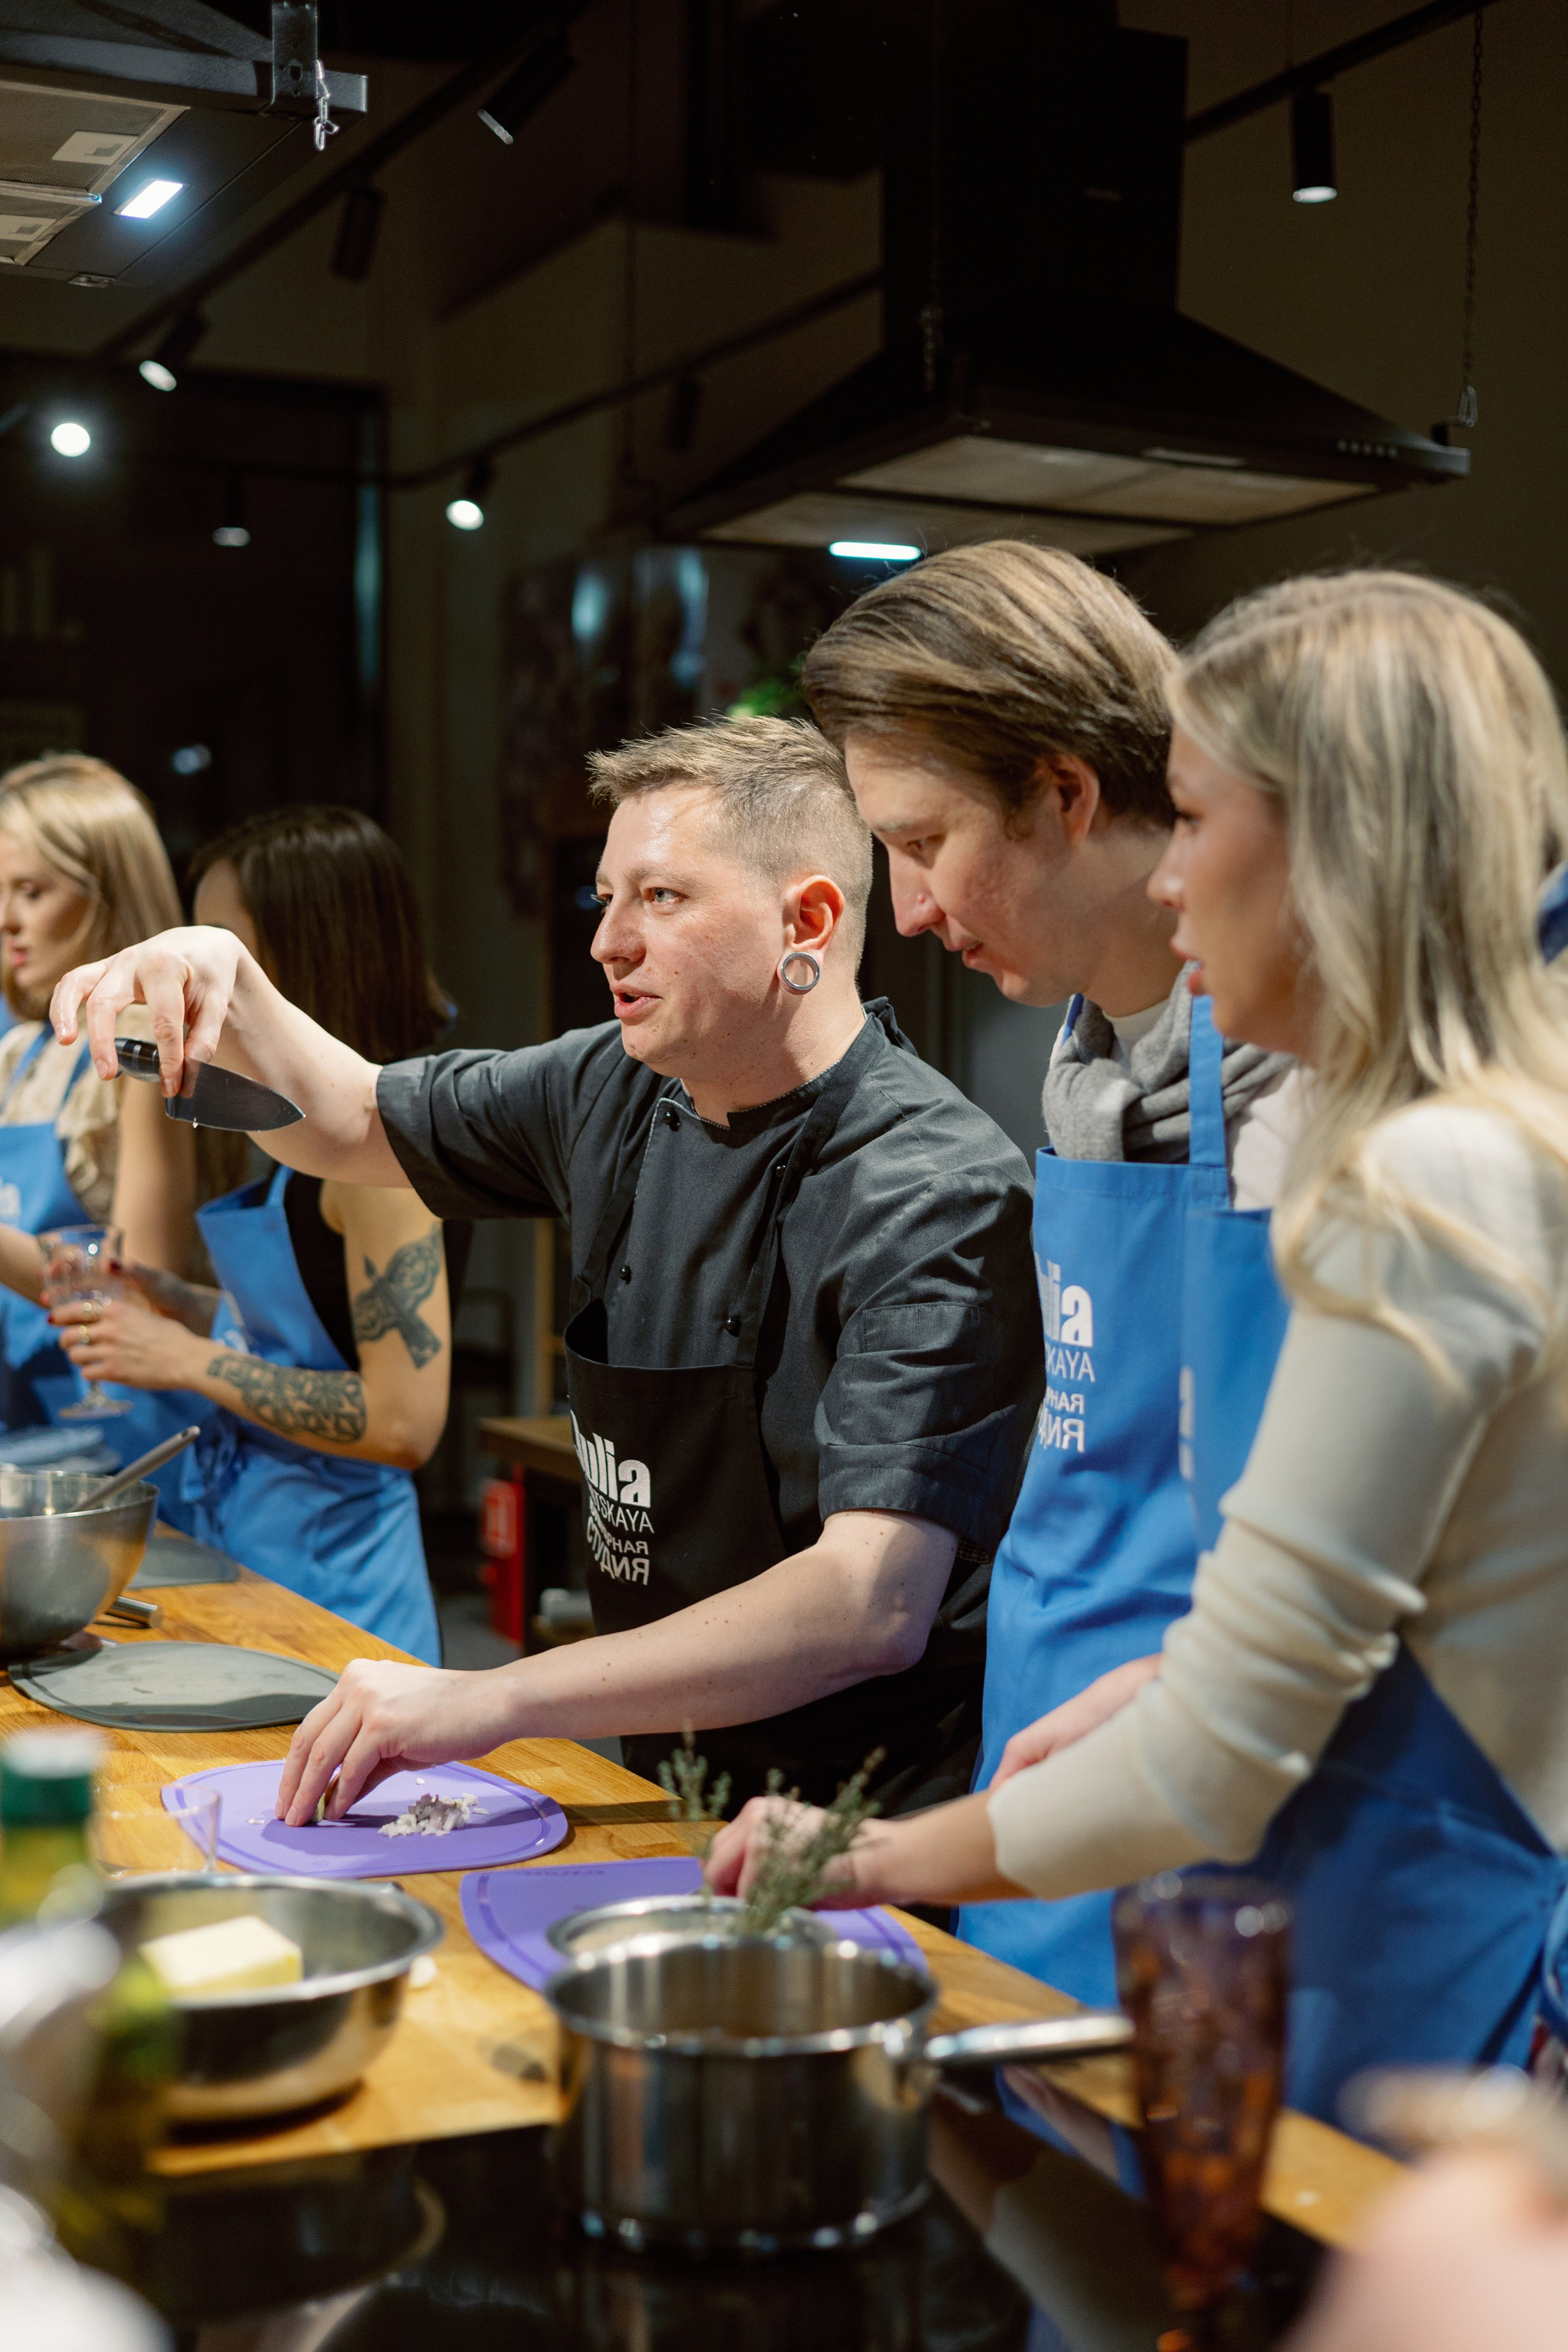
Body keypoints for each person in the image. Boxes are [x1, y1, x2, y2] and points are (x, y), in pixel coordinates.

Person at [710, 571, 1568, 2127]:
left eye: (1194, 814)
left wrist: (879, 1854)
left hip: (1349, 1922)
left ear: (1328, 846)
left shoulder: (1419, 1176)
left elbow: (1242, 1735)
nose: (1171, 879)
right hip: (1153, 1809)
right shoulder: (1495, 1135)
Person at [50, 718, 1041, 1820]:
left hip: (864, 1812)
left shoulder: (932, 1189)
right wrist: (226, 978)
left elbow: (868, 1604)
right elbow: (348, 1119)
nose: (607, 941)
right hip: (662, 1770)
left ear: (805, 919)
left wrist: (492, 1697)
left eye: (660, 899)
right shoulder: (609, 1088)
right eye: (607, 899)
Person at [800, 543, 1300, 2007]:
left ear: (1065, 793)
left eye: (918, 838)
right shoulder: (1079, 1064)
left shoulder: (1312, 1089)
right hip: (1037, 1772)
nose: (899, 911)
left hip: (1229, 1820)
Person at [50, 808, 454, 1662]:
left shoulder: (379, 1165)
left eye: (217, 948)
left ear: (302, 956)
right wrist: (187, 1307)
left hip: (345, 1601)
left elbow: (404, 1421)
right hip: (258, 1562)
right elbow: (312, 1339)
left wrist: (180, 1357)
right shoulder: (293, 1139)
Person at [0, 755, 205, 1519]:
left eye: (32, 891)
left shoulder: (139, 1045)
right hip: (26, 1429)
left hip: (114, 1445)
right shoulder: (20, 1056)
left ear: (107, 894)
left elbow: (142, 1282)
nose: (6, 920)